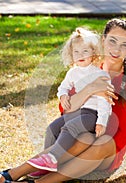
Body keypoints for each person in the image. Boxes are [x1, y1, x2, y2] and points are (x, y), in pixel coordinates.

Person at [0, 18, 126, 183]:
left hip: (109, 149)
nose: (117, 49)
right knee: (81, 137)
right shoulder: (87, 66)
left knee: (100, 143)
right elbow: (67, 109)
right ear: (102, 41)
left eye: (125, 44)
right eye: (112, 41)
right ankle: (10, 174)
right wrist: (91, 89)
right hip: (81, 134)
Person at [26, 27, 112, 173]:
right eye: (76, 52)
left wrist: (101, 122)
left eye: (85, 51)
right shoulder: (72, 72)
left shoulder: (100, 74)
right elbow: (63, 87)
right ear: (71, 55)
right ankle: (44, 163)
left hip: (93, 115)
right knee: (52, 128)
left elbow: (105, 102)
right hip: (79, 112)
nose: (80, 55)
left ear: (93, 53)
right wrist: (63, 95)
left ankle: (53, 158)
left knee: (70, 127)